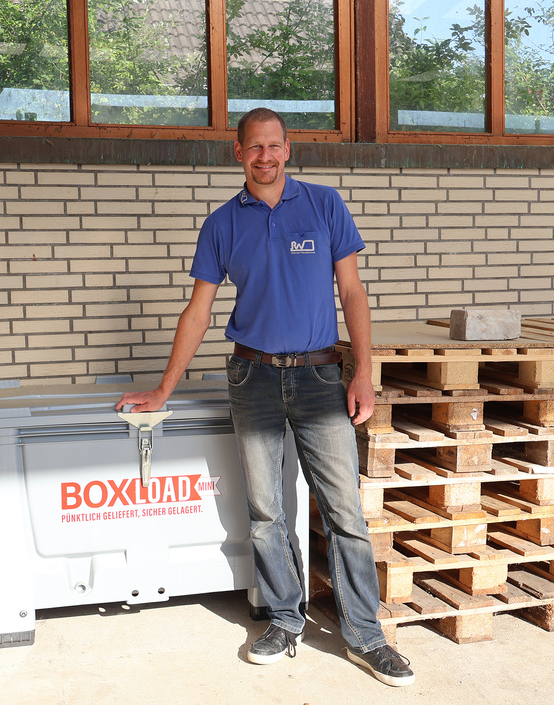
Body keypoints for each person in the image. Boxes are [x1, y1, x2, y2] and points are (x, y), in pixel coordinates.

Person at [115, 107, 414, 687]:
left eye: (274, 146)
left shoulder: (324, 205)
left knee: (345, 512)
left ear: (287, 148)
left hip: (321, 377)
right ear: (238, 152)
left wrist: (363, 371)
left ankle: (366, 636)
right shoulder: (223, 223)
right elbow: (198, 311)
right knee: (265, 514)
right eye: (255, 147)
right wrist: (163, 389)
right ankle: (283, 619)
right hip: (251, 379)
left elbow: (352, 291)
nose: (266, 157)